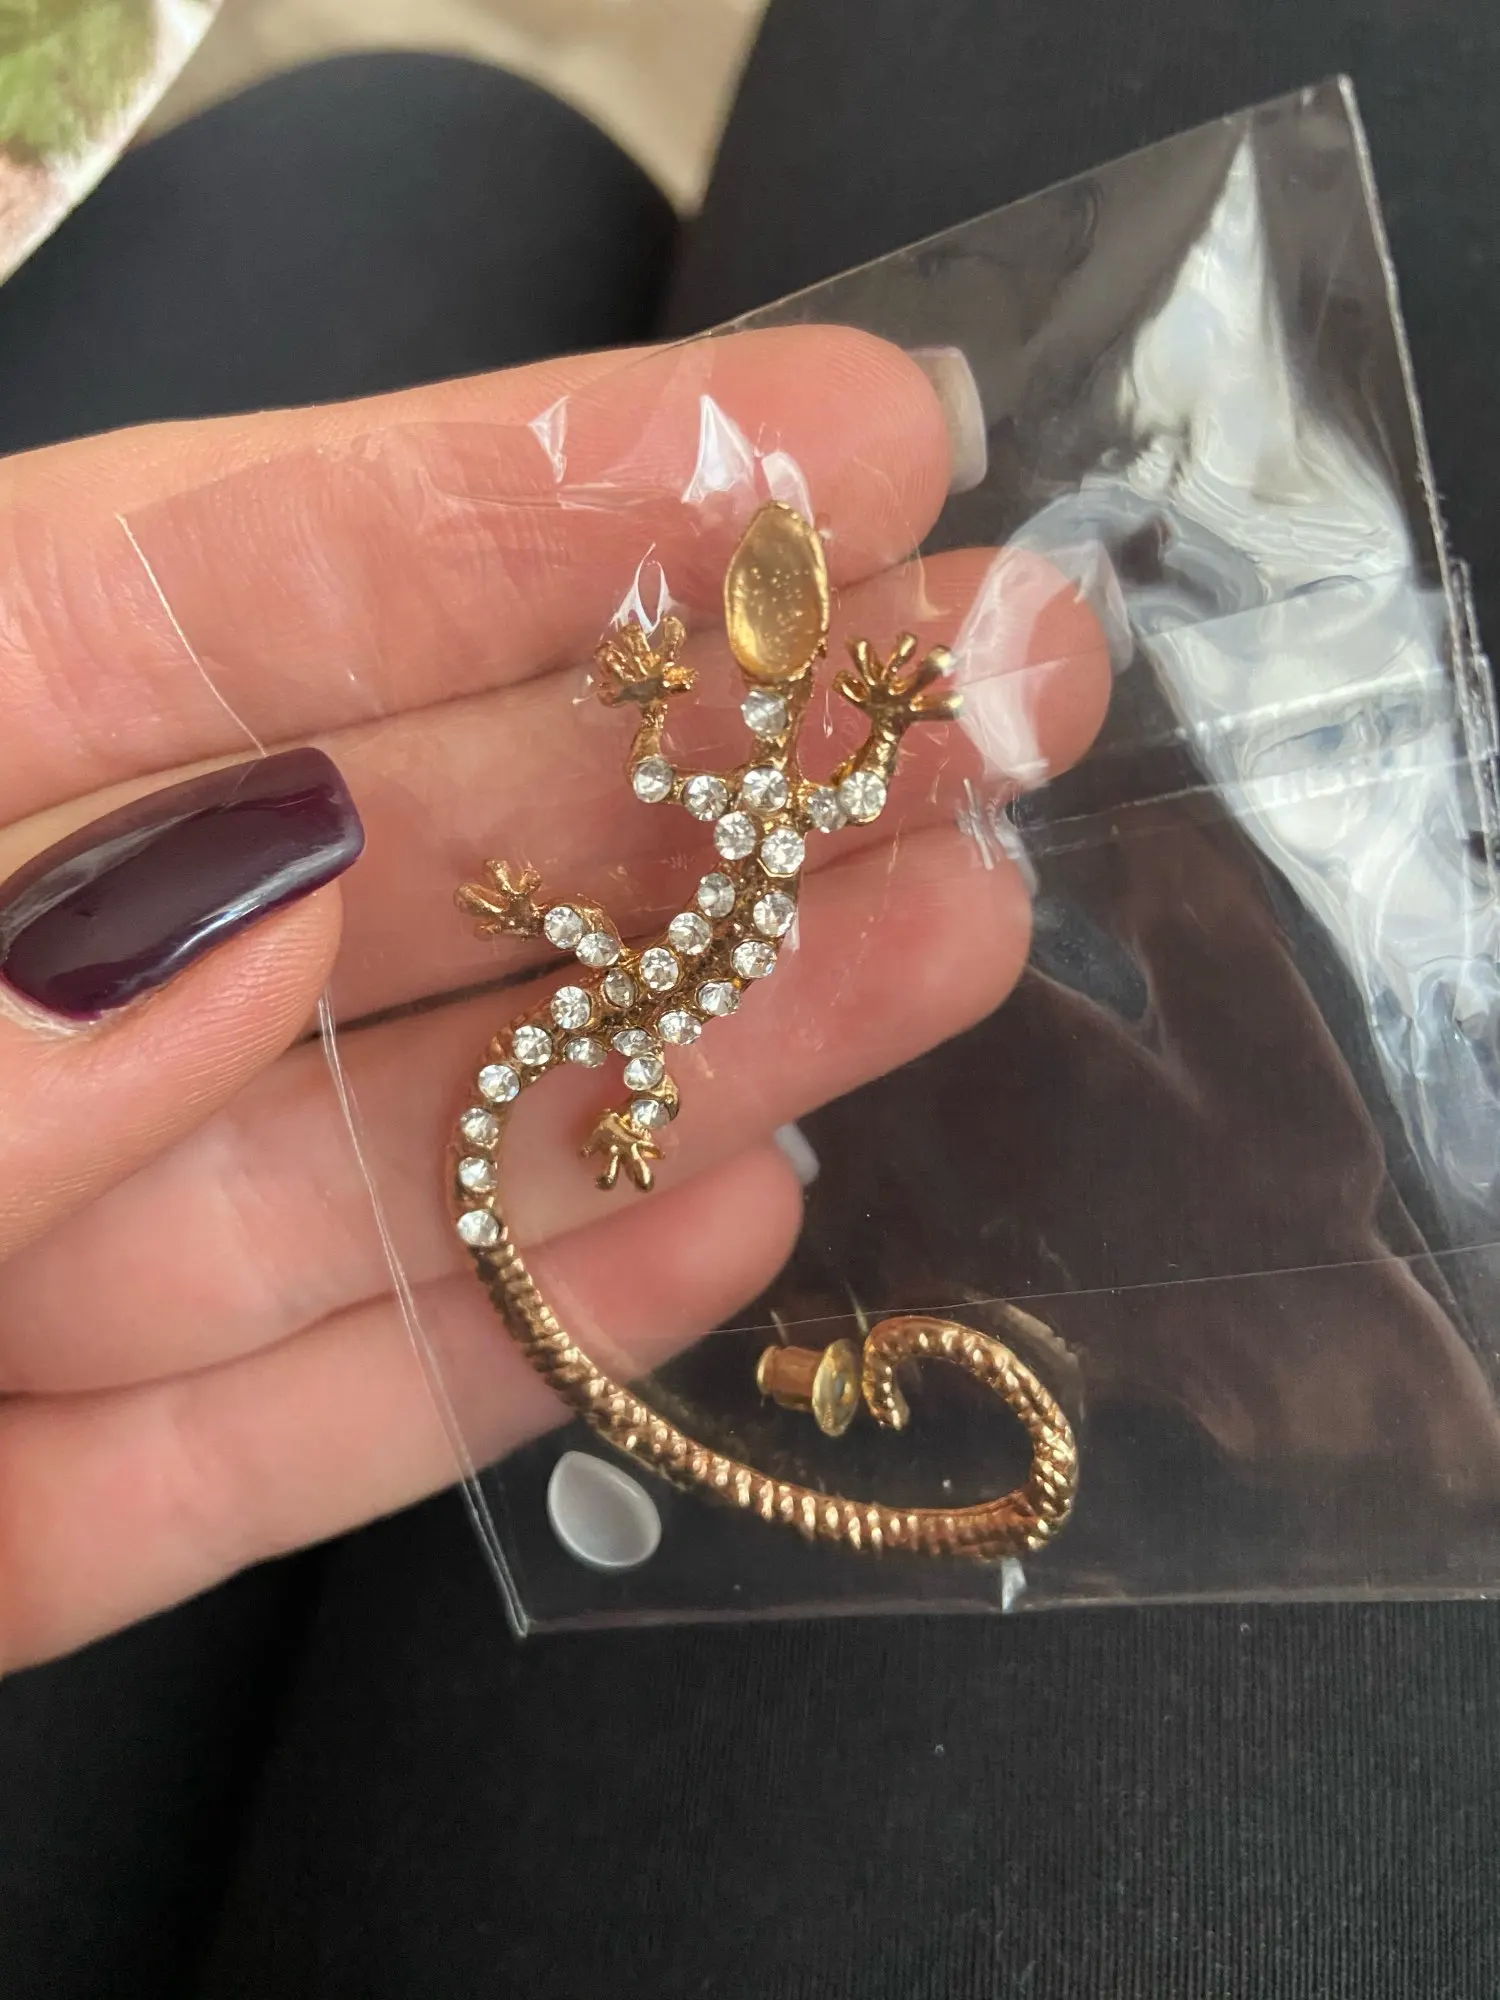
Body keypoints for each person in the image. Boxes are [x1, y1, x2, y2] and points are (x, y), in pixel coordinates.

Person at [2, 4, 1499, 1993]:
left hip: (660, 970)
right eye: (792, 618)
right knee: (425, 137)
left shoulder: (785, 738)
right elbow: (718, 796)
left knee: (419, 136)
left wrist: (774, 750)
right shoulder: (759, 741)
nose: (790, 617)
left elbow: (773, 791)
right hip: (638, 987)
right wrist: (664, 807)